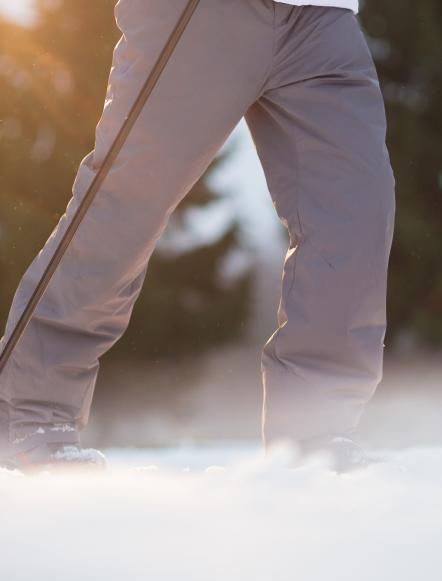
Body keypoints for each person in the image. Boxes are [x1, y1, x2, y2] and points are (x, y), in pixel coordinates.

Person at [0, 0, 394, 471]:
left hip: (324, 16)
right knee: (128, 202)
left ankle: (315, 430)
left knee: (355, 212)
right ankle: (28, 412)